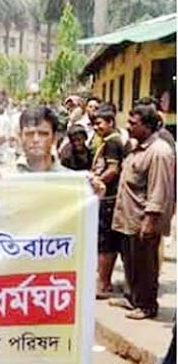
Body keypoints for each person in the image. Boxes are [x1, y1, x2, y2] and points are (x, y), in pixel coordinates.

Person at [109, 103, 176, 320]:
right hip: (129, 217)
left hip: (143, 219)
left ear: (147, 127)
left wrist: (150, 221)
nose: (128, 127)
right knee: (131, 262)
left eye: (133, 123)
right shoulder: (136, 147)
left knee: (145, 265)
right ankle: (133, 298)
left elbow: (159, 190)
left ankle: (147, 305)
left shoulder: (159, 152)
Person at [89, 108, 125, 298]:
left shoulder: (112, 143)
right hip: (108, 197)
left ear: (110, 122)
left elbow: (113, 169)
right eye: (94, 124)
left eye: (100, 123)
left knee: (106, 243)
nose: (96, 127)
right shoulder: (110, 140)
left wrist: (96, 182)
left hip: (109, 198)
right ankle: (104, 281)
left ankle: (104, 284)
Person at [14, 106, 67, 173]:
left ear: (54, 138)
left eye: (43, 134)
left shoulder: (71, 179)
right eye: (29, 134)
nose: (36, 140)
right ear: (20, 137)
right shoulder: (6, 177)